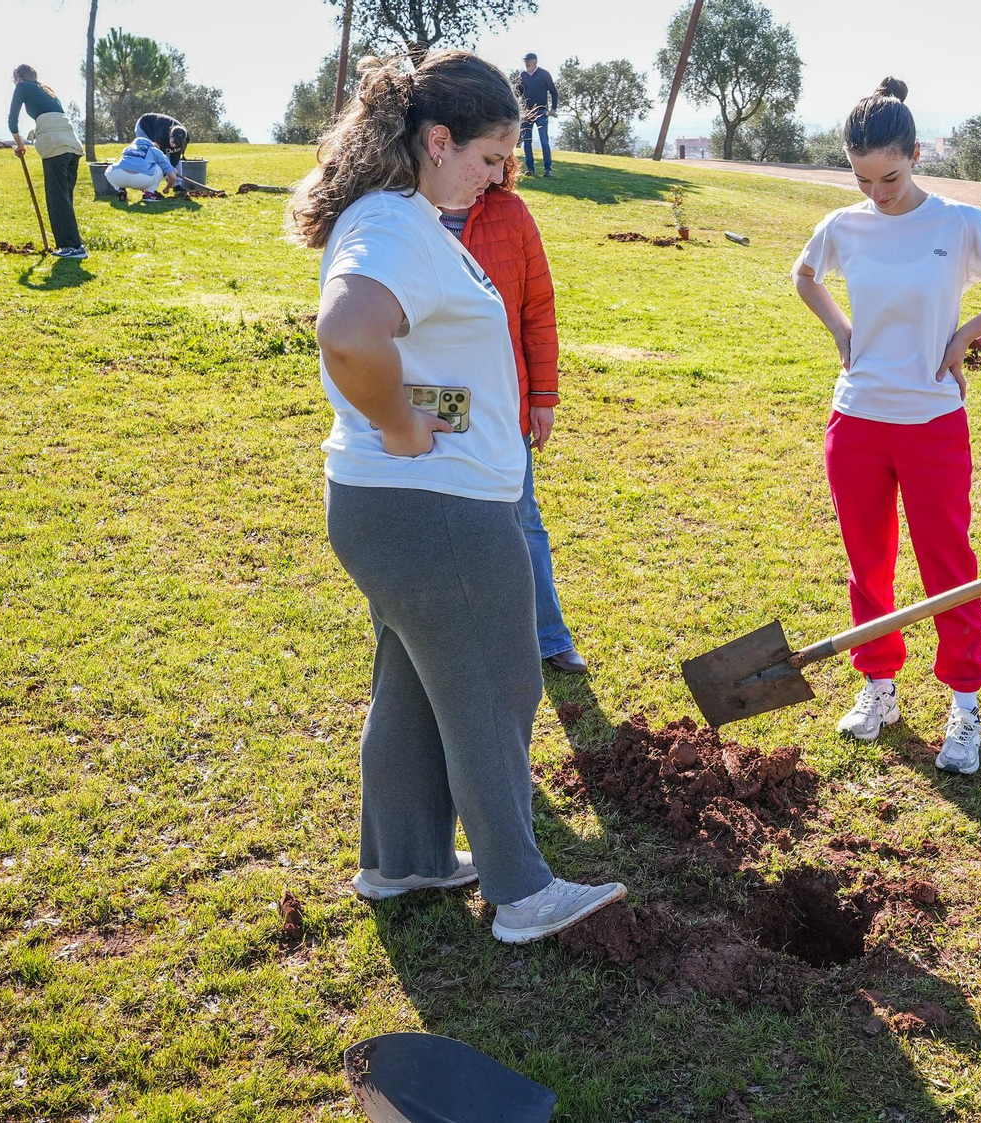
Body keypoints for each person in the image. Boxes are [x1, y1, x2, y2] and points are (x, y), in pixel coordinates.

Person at [288, 50, 624, 943]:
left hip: (400, 507)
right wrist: (401, 426)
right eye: (488, 155)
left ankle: (402, 860)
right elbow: (351, 336)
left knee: (411, 683)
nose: (499, 174)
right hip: (432, 509)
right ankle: (522, 892)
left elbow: (404, 354)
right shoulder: (397, 227)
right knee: (495, 683)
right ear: (436, 140)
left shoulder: (402, 219)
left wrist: (419, 409)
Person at [791, 78, 981, 775]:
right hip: (857, 419)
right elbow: (804, 275)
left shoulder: (959, 224)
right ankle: (879, 687)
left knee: (947, 564)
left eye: (891, 176)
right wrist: (843, 332)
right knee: (867, 563)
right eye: (864, 178)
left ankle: (964, 704)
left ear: (915, 154)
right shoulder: (844, 226)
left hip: (932, 422)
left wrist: (965, 336)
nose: (879, 191)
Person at [436, 158, 589, 674]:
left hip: (508, 402)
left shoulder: (513, 213)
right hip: (439, 402)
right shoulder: (406, 213)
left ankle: (549, 637)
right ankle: (459, 644)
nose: (496, 167)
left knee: (522, 519)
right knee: (442, 520)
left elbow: (537, 308)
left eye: (504, 155)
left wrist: (543, 394)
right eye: (487, 154)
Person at [7, 65, 86, 259]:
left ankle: (72, 247)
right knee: (64, 198)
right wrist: (35, 133)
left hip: (55, 147)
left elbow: (12, 121)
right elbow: (52, 120)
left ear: (18, 77)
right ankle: (74, 245)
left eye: (13, 78)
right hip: (72, 146)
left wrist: (20, 145)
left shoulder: (22, 87)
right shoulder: (47, 91)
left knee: (57, 198)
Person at [106, 132, 181, 202]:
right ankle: (149, 194)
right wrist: (167, 188)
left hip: (118, 177)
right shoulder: (155, 151)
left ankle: (121, 189)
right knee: (159, 166)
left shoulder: (127, 148)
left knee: (110, 168)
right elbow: (173, 177)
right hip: (141, 180)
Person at [517, 53, 556, 178]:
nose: (526, 63)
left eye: (528, 60)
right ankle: (530, 169)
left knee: (544, 141)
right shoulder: (522, 75)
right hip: (526, 112)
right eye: (525, 61)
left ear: (534, 61)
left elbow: (554, 92)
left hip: (541, 112)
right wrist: (518, 85)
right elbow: (520, 93)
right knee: (527, 141)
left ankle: (548, 170)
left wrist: (553, 109)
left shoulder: (544, 74)